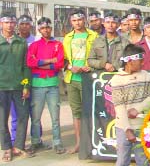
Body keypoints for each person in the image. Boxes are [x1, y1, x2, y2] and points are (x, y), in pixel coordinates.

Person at [109, 44, 150, 166]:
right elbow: (119, 107)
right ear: (130, 61)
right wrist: (127, 130)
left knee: (143, 161)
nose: (143, 63)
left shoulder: (146, 75)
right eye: (140, 60)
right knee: (122, 161)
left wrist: (138, 109)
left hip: (142, 126)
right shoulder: (117, 79)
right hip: (123, 127)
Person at [26, 17, 66, 154]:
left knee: (55, 117)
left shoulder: (58, 45)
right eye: (43, 28)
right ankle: (35, 141)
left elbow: (60, 63)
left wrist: (40, 63)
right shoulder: (34, 45)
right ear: (39, 29)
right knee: (35, 117)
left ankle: (57, 142)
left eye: (48, 27)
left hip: (53, 84)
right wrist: (50, 61)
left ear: (51, 28)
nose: (46, 30)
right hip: (37, 85)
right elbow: (30, 63)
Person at [63, 9, 98, 154]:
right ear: (71, 22)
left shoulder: (94, 36)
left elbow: (99, 56)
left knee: (89, 111)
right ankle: (78, 142)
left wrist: (89, 66)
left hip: (88, 78)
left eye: (80, 19)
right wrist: (71, 67)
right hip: (72, 79)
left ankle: (90, 142)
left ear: (85, 20)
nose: (77, 23)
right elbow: (63, 59)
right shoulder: (67, 38)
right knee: (76, 112)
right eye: (74, 20)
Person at [0, 11, 33, 162]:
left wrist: (26, 86)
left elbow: (26, 66)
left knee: (23, 116)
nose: (10, 25)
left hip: (19, 86)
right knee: (2, 119)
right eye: (7, 22)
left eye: (12, 22)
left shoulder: (21, 42)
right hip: (2, 87)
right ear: (1, 24)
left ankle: (19, 146)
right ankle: (6, 148)